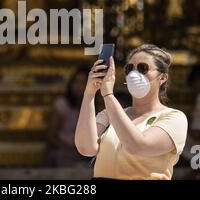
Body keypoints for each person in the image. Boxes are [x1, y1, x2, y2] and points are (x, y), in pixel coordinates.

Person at [75, 44, 188, 180]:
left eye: (142, 68)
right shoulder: (109, 113)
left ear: (163, 78)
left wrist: (108, 95)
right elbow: (86, 148)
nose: (134, 74)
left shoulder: (174, 117)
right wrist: (89, 93)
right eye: (129, 69)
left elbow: (138, 146)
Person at [45, 66, 91, 167]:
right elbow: (50, 136)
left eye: (83, 83)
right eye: (76, 82)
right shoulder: (61, 105)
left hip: (85, 153)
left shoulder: (95, 107)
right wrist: (68, 147)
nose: (79, 86)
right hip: (64, 151)